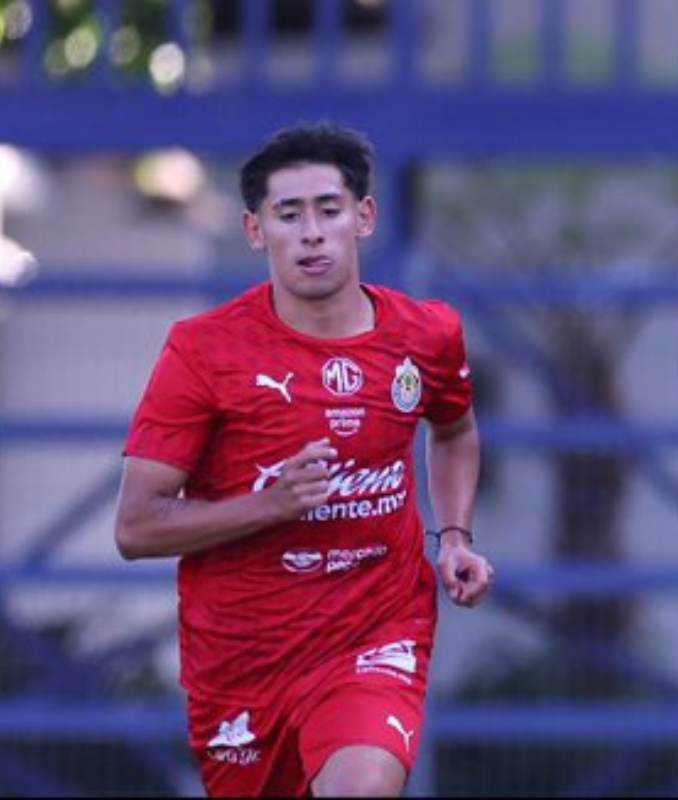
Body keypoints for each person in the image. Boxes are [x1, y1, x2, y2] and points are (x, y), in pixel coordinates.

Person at [113, 121, 494, 797]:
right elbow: (136, 527)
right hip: (243, 656)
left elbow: (455, 429)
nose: (312, 232)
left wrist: (456, 535)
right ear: (256, 229)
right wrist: (270, 505)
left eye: (329, 209)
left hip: (377, 628)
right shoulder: (202, 353)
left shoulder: (427, 335)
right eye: (289, 214)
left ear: (364, 217)